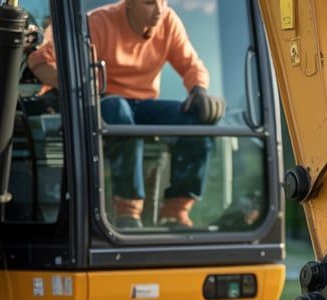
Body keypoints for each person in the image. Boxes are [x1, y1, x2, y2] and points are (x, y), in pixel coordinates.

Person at [28, 0, 225, 229]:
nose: (160, 9)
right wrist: (78, 87)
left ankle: (175, 211)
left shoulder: (168, 21)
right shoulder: (97, 23)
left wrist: (198, 90)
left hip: (141, 105)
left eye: (163, 1)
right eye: (150, 3)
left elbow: (192, 65)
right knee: (119, 112)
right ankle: (128, 211)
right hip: (102, 104)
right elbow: (39, 60)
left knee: (196, 120)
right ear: (129, 3)